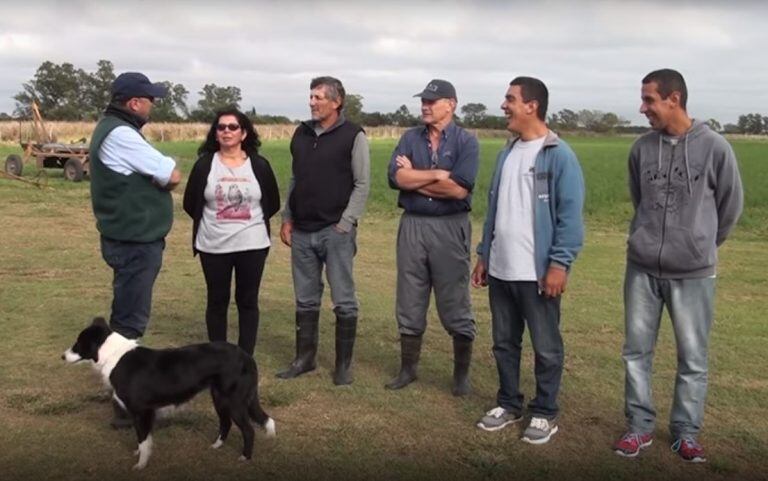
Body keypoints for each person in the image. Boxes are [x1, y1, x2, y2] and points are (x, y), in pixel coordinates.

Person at [613, 69, 743, 462]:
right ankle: (639, 427)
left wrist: (699, 244)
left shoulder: (715, 147)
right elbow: (640, 200)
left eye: (649, 100)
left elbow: (730, 208)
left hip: (693, 272)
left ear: (674, 99)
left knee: (693, 356)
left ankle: (686, 432)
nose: (642, 108)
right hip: (642, 269)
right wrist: (649, 241)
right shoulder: (640, 149)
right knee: (636, 351)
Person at [471, 77, 585, 444]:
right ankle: (508, 403)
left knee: (546, 346)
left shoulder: (558, 155)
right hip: (501, 269)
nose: (504, 106)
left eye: (510, 99)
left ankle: (545, 412)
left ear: (531, 106)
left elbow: (570, 216)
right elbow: (495, 209)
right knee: (504, 343)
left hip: (536, 273)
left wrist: (559, 264)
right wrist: (484, 254)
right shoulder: (507, 152)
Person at [89, 71, 182, 426]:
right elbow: (170, 174)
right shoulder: (123, 135)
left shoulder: (111, 128)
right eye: (150, 100)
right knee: (129, 321)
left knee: (127, 313)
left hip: (127, 237)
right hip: (134, 242)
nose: (153, 106)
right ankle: (126, 405)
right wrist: (168, 171)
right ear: (134, 103)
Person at [385, 79, 479, 396]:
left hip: (450, 226)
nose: (425, 105)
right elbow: (395, 177)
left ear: (451, 103)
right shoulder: (410, 138)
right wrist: (438, 175)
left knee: (454, 297)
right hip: (413, 224)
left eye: (432, 101)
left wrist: (416, 179)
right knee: (409, 295)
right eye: (423, 100)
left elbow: (460, 188)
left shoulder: (467, 141)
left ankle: (461, 376)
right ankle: (408, 369)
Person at [276, 76, 370, 386]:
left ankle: (343, 366)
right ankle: (305, 359)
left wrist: (346, 223)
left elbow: (362, 184)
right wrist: (287, 217)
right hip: (302, 230)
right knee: (305, 299)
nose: (312, 102)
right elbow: (295, 179)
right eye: (311, 96)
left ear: (336, 101)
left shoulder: (353, 136)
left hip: (335, 230)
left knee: (343, 299)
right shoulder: (301, 133)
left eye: (318, 97)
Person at [183, 108, 280, 357]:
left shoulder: (259, 165)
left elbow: (272, 202)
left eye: (232, 127)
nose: (226, 131)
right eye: (221, 127)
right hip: (213, 245)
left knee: (248, 302)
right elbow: (190, 202)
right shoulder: (205, 165)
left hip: (252, 245)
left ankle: (245, 358)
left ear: (244, 133)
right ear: (215, 134)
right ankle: (218, 357)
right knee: (217, 302)